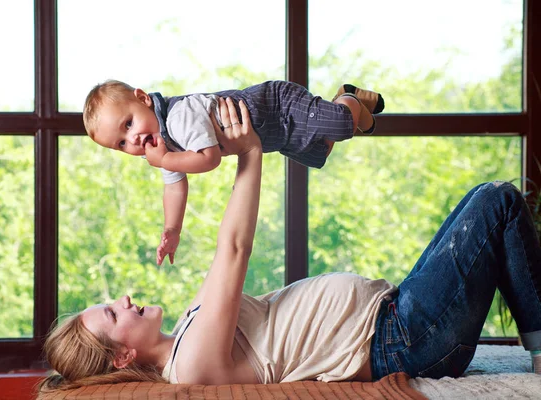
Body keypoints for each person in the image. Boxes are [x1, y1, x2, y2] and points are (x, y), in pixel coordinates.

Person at [38, 97, 541, 397]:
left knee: (486, 200)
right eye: (111, 313)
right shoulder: (190, 366)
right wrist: (250, 151)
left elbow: (219, 246)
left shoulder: (187, 333)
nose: (122, 300)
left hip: (396, 316)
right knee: (497, 202)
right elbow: (233, 248)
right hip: (405, 340)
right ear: (124, 355)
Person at [82, 79, 384, 265]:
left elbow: (209, 158)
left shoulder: (177, 118)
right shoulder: (166, 148)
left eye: (129, 124)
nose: (132, 139)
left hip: (277, 106)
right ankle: (355, 111)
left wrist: (164, 161)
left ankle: (348, 98)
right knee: (320, 152)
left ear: (144, 99)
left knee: (342, 125)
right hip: (272, 138)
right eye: (121, 144)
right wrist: (172, 230)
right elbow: (174, 187)